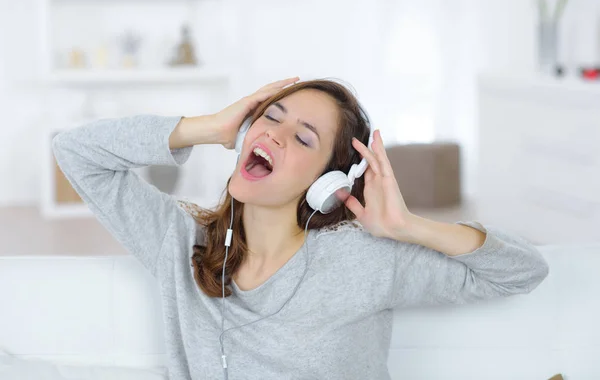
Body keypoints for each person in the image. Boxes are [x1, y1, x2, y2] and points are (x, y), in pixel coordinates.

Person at [52, 77, 550, 380]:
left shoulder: (363, 259)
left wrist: (409, 226)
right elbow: (75, 152)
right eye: (270, 117)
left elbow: (523, 271)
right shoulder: (181, 242)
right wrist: (210, 127)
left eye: (304, 138)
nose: (275, 134)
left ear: (325, 183)